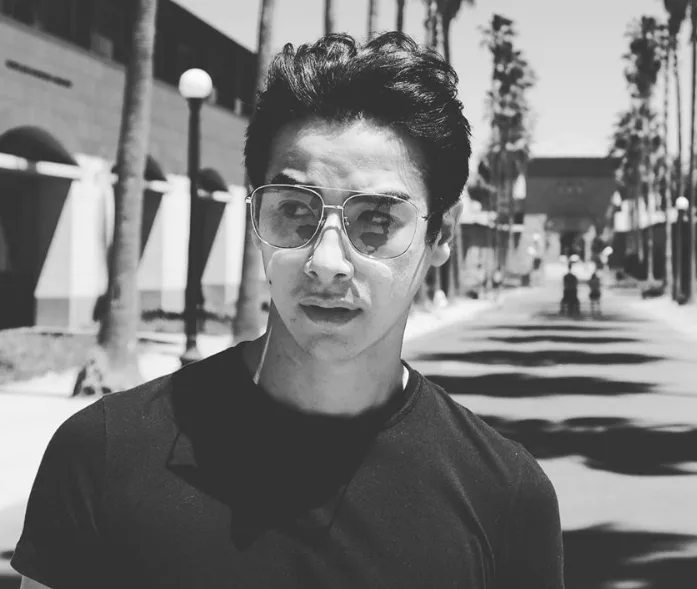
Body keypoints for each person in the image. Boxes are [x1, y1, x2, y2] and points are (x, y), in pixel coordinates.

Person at [13, 32, 564, 589]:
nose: (326, 263)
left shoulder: (504, 498)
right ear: (257, 218)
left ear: (441, 234)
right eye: (295, 211)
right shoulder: (103, 453)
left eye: (377, 220)